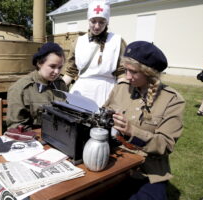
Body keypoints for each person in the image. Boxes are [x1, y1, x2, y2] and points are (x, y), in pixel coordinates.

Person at [103, 41, 185, 199]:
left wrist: (132, 131)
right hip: (114, 163)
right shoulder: (121, 88)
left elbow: (165, 145)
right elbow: (104, 113)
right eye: (125, 70)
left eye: (133, 72)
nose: (127, 76)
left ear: (148, 73)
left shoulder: (172, 100)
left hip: (147, 172)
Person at [62, 0, 126, 107]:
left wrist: (120, 97)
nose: (97, 26)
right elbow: (70, 72)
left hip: (106, 92)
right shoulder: (78, 42)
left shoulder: (117, 41)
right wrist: (55, 86)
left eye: (102, 22)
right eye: (93, 21)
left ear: (107, 22)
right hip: (81, 91)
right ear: (88, 20)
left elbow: (122, 74)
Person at [6, 42, 68, 130]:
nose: (57, 72)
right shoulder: (21, 88)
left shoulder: (60, 85)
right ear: (39, 63)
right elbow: (16, 127)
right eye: (52, 66)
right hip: (35, 138)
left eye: (60, 67)